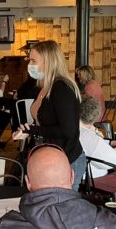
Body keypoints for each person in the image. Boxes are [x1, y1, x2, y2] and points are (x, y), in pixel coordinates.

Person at [13, 40, 85, 190]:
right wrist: (27, 131)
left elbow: (68, 130)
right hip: (48, 157)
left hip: (65, 159)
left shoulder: (62, 88)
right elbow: (45, 124)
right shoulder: (45, 87)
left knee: (62, 208)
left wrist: (33, 130)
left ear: (49, 62)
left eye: (34, 60)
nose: (29, 65)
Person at [78, 95, 116, 178]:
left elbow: (92, 147)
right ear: (95, 117)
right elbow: (112, 160)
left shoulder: (74, 129)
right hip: (92, 181)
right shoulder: (85, 134)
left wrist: (110, 142)